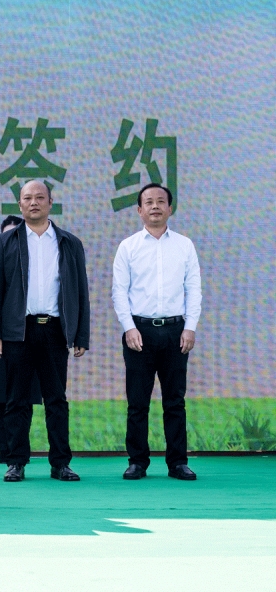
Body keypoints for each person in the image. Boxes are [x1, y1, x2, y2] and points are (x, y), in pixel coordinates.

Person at [0, 180, 90, 483]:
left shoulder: (69, 242)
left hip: (55, 330)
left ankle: (60, 464)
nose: (34, 203)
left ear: (50, 203)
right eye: (28, 198)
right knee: (17, 400)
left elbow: (80, 291)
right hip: (19, 331)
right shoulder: (6, 242)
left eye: (40, 197)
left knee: (56, 399)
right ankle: (16, 462)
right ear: (19, 205)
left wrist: (80, 335)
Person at [112, 183, 201, 481]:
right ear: (139, 210)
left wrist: (190, 327)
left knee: (175, 401)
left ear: (170, 208)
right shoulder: (128, 247)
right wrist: (129, 327)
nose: (155, 206)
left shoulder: (184, 245)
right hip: (139, 331)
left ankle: (178, 463)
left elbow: (194, 290)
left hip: (176, 331)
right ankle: (137, 462)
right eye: (148, 202)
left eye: (160, 201)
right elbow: (119, 292)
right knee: (137, 402)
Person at [0, 215, 41, 464]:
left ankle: (20, 450)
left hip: (28, 338)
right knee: (0, 396)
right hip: (0, 339)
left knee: (24, 397)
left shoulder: (35, 266)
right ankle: (6, 452)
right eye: (7, 235)